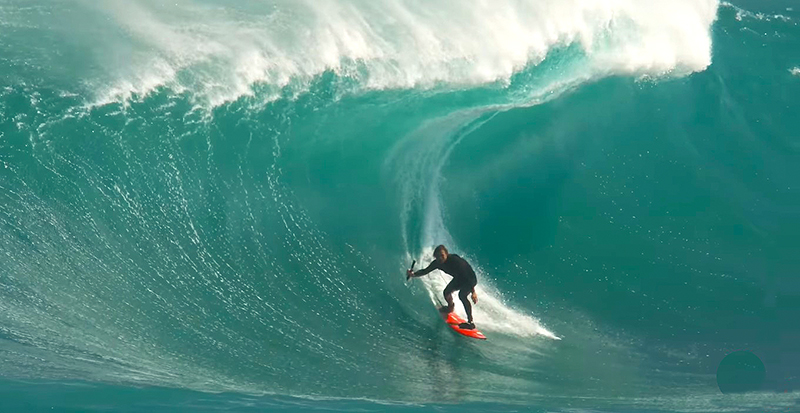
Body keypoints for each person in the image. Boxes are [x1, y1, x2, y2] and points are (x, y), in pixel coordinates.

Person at [407, 245, 479, 329]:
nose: (440, 258)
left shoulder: (455, 260)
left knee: (462, 296)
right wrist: (413, 274)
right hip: (459, 279)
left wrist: (473, 291)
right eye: (437, 256)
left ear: (446, 254)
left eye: (442, 255)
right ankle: (450, 307)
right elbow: (425, 271)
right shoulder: (437, 263)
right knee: (446, 292)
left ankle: (471, 323)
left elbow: (467, 273)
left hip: (470, 279)